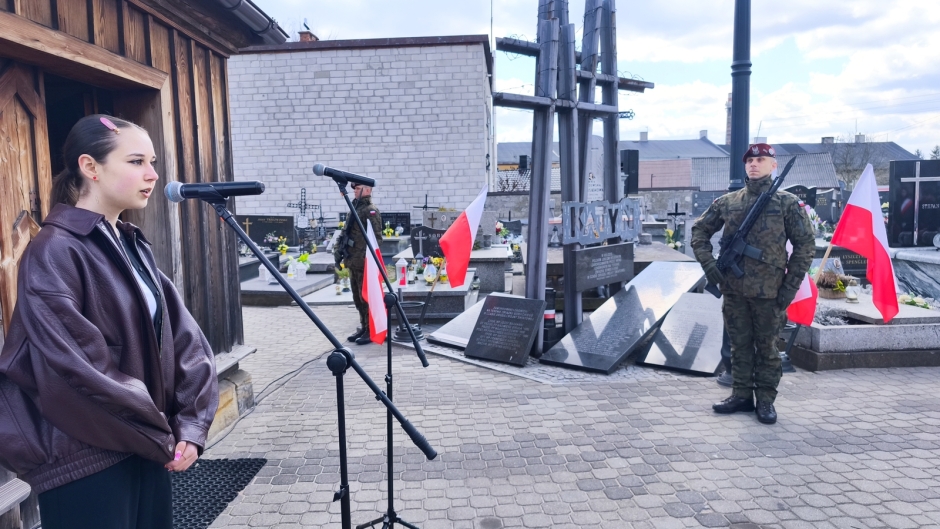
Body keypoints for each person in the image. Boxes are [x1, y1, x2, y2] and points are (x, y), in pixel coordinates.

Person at [0, 115, 218, 529]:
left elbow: (186, 341)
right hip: (87, 458)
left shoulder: (131, 244)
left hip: (145, 446)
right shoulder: (54, 251)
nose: (152, 175)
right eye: (136, 161)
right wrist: (160, 432)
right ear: (90, 167)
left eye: (152, 162)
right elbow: (78, 367)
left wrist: (190, 424)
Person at [690, 143, 814, 424]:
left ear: (773, 166)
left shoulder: (787, 203)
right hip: (734, 289)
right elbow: (699, 231)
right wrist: (709, 265)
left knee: (767, 349)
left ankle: (766, 400)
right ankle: (742, 395)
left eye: (761, 160)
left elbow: (805, 245)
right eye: (749, 161)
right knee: (739, 345)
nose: (754, 164)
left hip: (770, 292)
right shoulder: (728, 202)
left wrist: (789, 287)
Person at [341, 182, 383, 345]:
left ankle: (371, 330)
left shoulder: (370, 210)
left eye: (358, 188)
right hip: (353, 260)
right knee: (357, 297)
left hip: (364, 262)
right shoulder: (355, 208)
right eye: (355, 189)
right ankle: (364, 326)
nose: (355, 191)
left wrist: (369, 260)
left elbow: (376, 238)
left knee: (366, 296)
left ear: (367, 190)